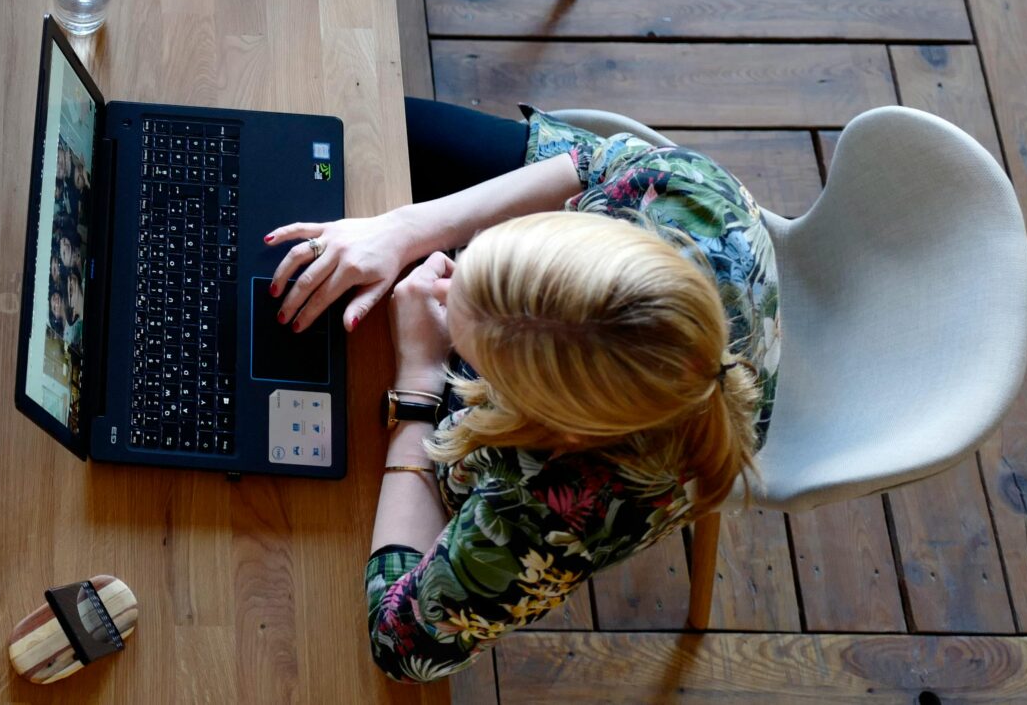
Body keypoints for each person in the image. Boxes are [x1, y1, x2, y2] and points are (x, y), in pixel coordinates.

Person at [262, 102, 780, 681]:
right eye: (478, 261)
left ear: (545, 421)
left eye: (473, 350)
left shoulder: (554, 507)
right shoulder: (687, 190)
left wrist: (421, 379)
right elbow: (587, 161)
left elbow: (400, 645)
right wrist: (401, 230)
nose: (445, 275)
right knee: (366, 124)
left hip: (599, 464)